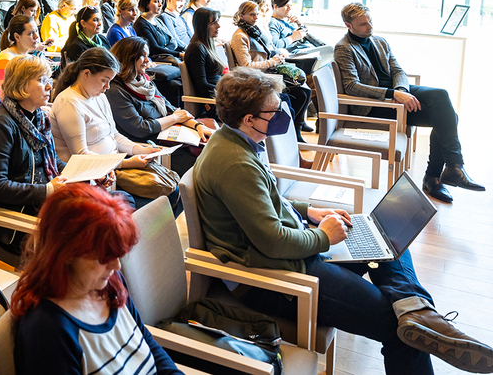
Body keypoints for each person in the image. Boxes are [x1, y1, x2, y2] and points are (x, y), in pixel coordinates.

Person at [192, 67, 493, 375]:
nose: (283, 112)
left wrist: (307, 212)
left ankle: (416, 309)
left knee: (388, 244)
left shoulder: (236, 142)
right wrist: (324, 237)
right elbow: (272, 240)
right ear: (249, 119)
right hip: (277, 278)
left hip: (290, 255)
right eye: (274, 109)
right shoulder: (235, 163)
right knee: (398, 330)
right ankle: (415, 316)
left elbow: (264, 201)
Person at [11, 183, 183, 375]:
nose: (116, 266)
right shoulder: (48, 331)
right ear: (66, 253)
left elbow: (146, 341)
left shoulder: (110, 282)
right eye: (104, 257)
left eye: (117, 255)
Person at [335, 2, 484, 203]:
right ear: (348, 25)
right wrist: (391, 94)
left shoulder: (379, 41)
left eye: (370, 21)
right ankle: (436, 176)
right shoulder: (344, 48)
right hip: (375, 105)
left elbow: (398, 71)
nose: (370, 27)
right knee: (447, 118)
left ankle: (452, 167)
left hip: (397, 94)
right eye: (363, 24)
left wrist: (402, 91)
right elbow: (352, 86)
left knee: (441, 97)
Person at [0, 55, 65, 253]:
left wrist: (85, 175)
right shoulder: (0, 125)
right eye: (42, 81)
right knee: (90, 230)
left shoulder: (40, 118)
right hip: (16, 220)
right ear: (22, 86)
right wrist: (48, 190)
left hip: (42, 206)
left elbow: (53, 163)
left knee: (108, 208)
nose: (50, 87)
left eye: (49, 80)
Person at [49, 48, 163, 165]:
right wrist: (126, 163)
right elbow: (81, 155)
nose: (108, 86)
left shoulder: (100, 96)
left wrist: (141, 150)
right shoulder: (69, 103)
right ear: (86, 73)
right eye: (104, 80)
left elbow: (114, 135)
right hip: (90, 174)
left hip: (110, 165)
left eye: (110, 81)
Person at [107, 36, 212, 146]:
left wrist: (197, 126)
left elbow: (171, 109)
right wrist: (175, 118)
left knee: (206, 144)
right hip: (148, 144)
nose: (147, 60)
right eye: (142, 56)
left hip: (166, 133)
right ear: (129, 59)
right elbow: (141, 128)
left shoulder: (145, 81)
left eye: (147, 56)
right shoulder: (115, 91)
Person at [230, 1, 311, 138]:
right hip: (254, 78)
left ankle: (295, 129)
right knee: (300, 94)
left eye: (256, 14)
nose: (255, 17)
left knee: (305, 91)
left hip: (265, 73)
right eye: (251, 15)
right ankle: (289, 133)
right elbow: (246, 65)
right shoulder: (240, 36)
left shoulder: (254, 31)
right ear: (241, 16)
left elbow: (268, 51)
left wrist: (276, 58)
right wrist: (271, 62)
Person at [0, 15, 47, 112]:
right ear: (17, 37)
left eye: (36, 31)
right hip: (2, 112)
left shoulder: (29, 57)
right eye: (30, 33)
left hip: (25, 106)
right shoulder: (5, 59)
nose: (36, 36)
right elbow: (5, 96)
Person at [183, 7, 226, 119]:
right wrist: (228, 90)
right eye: (213, 23)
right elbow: (202, 86)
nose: (218, 26)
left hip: (220, 99)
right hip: (213, 105)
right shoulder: (197, 48)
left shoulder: (207, 44)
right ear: (203, 26)